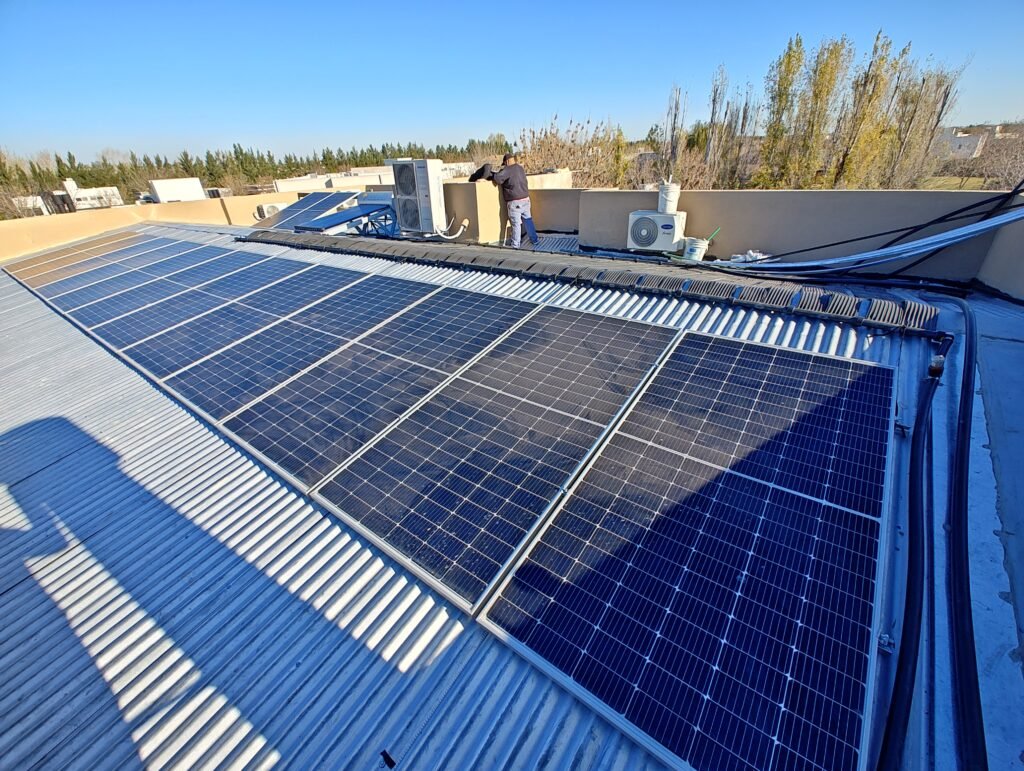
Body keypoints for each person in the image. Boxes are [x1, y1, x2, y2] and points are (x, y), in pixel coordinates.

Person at [491, 153, 538, 248]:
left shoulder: (508, 169)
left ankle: (515, 246)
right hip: (526, 199)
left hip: (515, 202)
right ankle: (534, 240)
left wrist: (493, 174)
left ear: (507, 161)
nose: (505, 166)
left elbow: (498, 179)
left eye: (505, 164)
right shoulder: (520, 168)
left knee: (516, 224)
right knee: (528, 220)